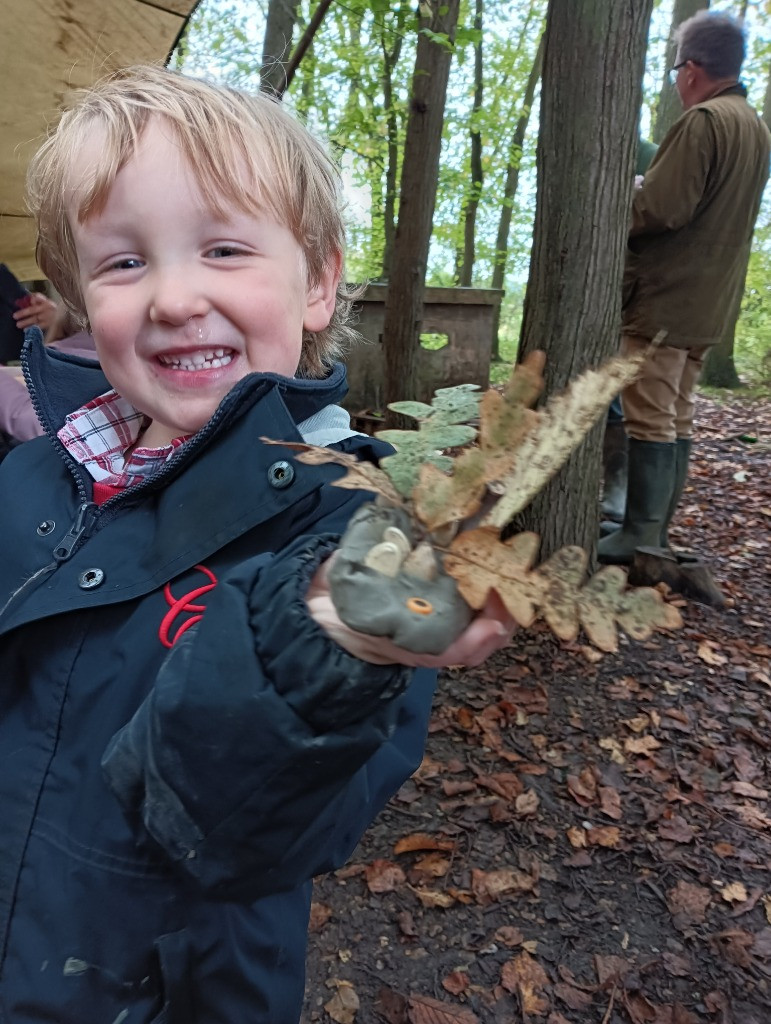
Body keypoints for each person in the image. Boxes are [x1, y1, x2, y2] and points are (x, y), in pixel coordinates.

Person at [0, 66, 514, 1022]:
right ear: (78, 298)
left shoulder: (344, 532)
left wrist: (326, 638)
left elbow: (255, 832)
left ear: (317, 281)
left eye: (224, 248)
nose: (173, 297)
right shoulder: (29, 479)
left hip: (167, 994)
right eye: (123, 262)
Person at [599, 11, 770, 564]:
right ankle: (653, 534)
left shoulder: (703, 123)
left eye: (677, 69)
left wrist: (626, 193)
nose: (676, 80)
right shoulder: (754, 125)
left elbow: (663, 209)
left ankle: (639, 536)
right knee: (677, 414)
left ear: (693, 69)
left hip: (667, 297)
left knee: (649, 415)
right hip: (708, 303)